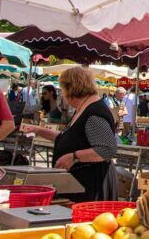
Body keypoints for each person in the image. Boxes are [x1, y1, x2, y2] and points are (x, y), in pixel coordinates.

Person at [21, 67, 118, 202]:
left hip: (92, 187)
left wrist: (74, 157)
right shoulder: (83, 108)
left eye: (63, 90)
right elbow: (68, 138)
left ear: (71, 89)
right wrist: (39, 130)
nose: (63, 95)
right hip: (81, 185)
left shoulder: (94, 112)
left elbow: (106, 149)